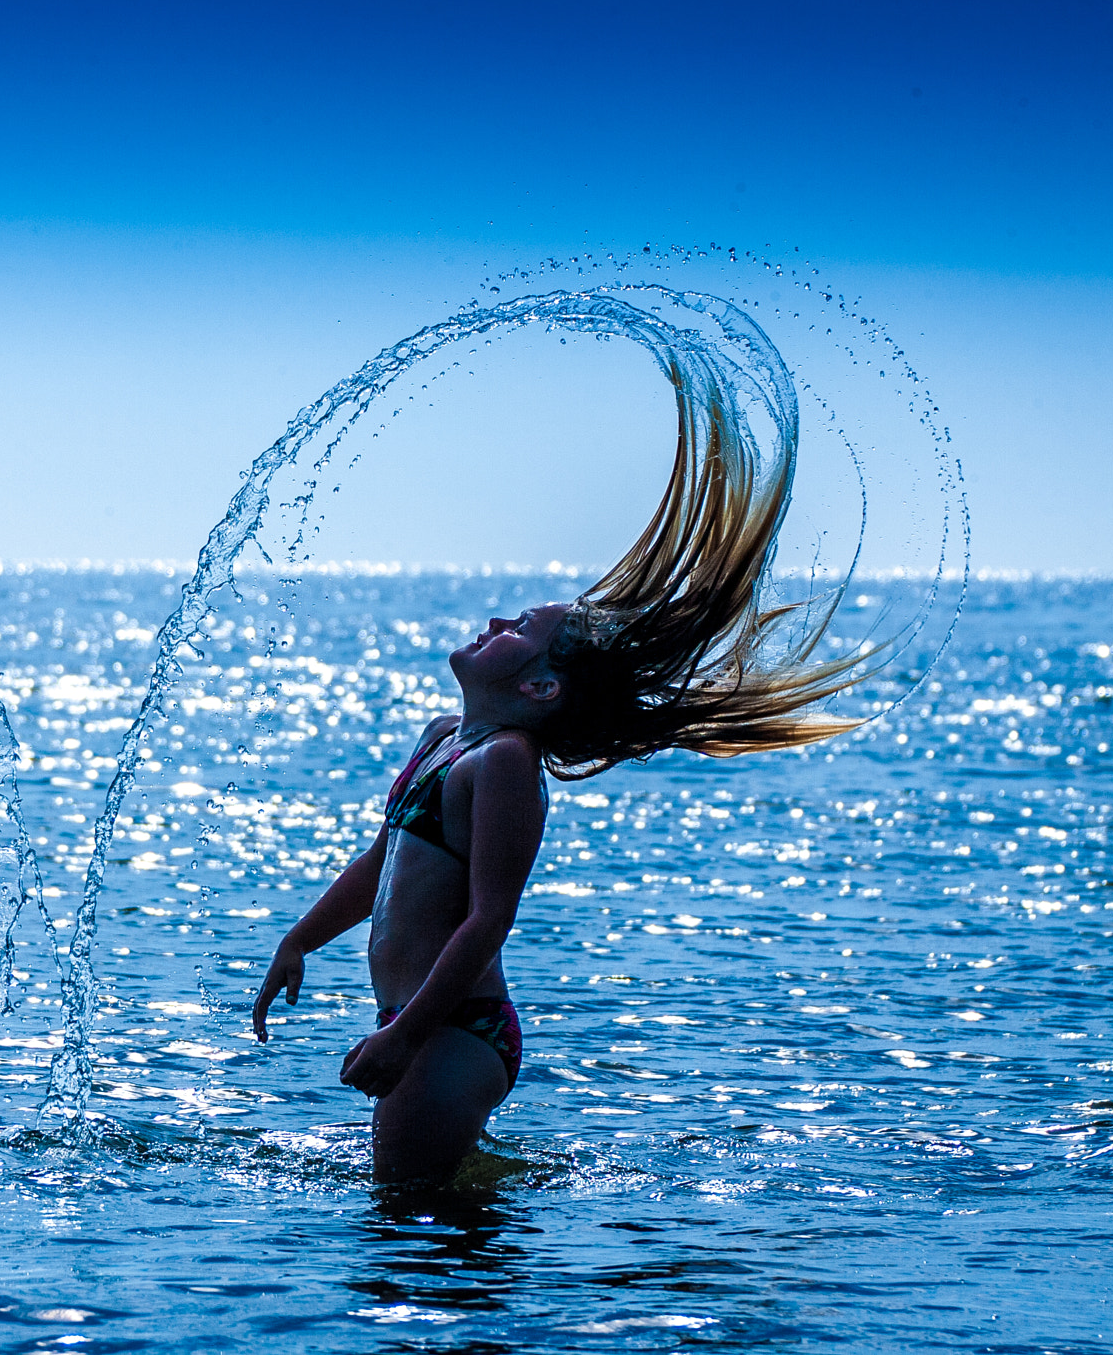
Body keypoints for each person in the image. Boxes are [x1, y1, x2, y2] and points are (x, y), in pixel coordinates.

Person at [251, 359, 875, 1183]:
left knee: (417, 1231)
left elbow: (487, 921)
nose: (496, 618)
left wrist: (407, 1036)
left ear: (540, 686)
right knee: (421, 1209)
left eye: (521, 625)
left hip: (453, 1028)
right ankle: (512, 1178)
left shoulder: (506, 765)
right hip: (418, 1018)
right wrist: (299, 940)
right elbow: (380, 864)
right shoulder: (447, 737)